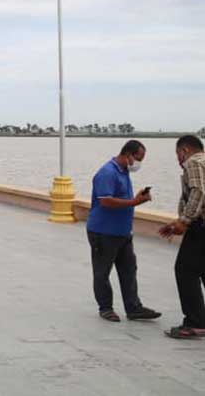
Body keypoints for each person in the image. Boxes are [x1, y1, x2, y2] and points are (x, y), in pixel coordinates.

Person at [85, 140, 160, 322]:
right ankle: (106, 308)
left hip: (122, 232)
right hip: (103, 232)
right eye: (138, 159)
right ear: (128, 154)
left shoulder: (123, 171)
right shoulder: (107, 172)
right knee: (102, 271)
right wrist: (135, 202)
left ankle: (134, 307)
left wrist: (136, 198)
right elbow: (105, 201)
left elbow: (120, 198)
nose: (138, 163)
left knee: (129, 269)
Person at [159, 135, 205, 339]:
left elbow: (198, 192)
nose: (178, 160)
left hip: (200, 227)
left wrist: (184, 221)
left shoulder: (193, 162)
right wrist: (179, 221)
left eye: (178, 154)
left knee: (185, 270)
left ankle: (195, 323)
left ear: (184, 150)